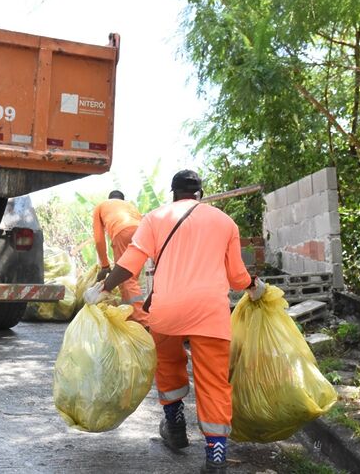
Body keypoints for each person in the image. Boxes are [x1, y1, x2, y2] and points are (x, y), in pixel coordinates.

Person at [89, 170, 265, 474]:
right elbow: (237, 277)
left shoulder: (155, 218)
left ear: (173, 193)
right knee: (213, 382)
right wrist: (255, 287)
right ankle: (216, 455)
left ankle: (175, 427)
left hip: (166, 310)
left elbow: (130, 264)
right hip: (210, 313)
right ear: (200, 194)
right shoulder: (225, 222)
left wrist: (103, 287)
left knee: (168, 367)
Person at [90, 190, 147, 324]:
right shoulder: (130, 206)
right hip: (143, 232)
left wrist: (104, 266)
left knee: (126, 280)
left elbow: (99, 239)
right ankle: (131, 315)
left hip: (123, 232)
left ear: (109, 199)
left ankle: (142, 321)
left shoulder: (101, 206)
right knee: (131, 278)